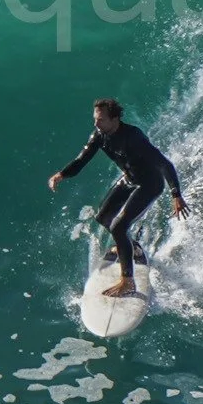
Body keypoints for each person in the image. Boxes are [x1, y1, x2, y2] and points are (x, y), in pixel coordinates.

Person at [48, 97, 186, 298]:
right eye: (95, 119)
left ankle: (128, 282)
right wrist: (61, 174)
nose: (96, 124)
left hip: (149, 184)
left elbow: (164, 164)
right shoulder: (99, 135)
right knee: (103, 217)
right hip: (130, 179)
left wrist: (176, 194)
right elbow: (81, 160)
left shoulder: (133, 136)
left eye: (101, 120)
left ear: (115, 119)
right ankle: (132, 249)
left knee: (118, 227)